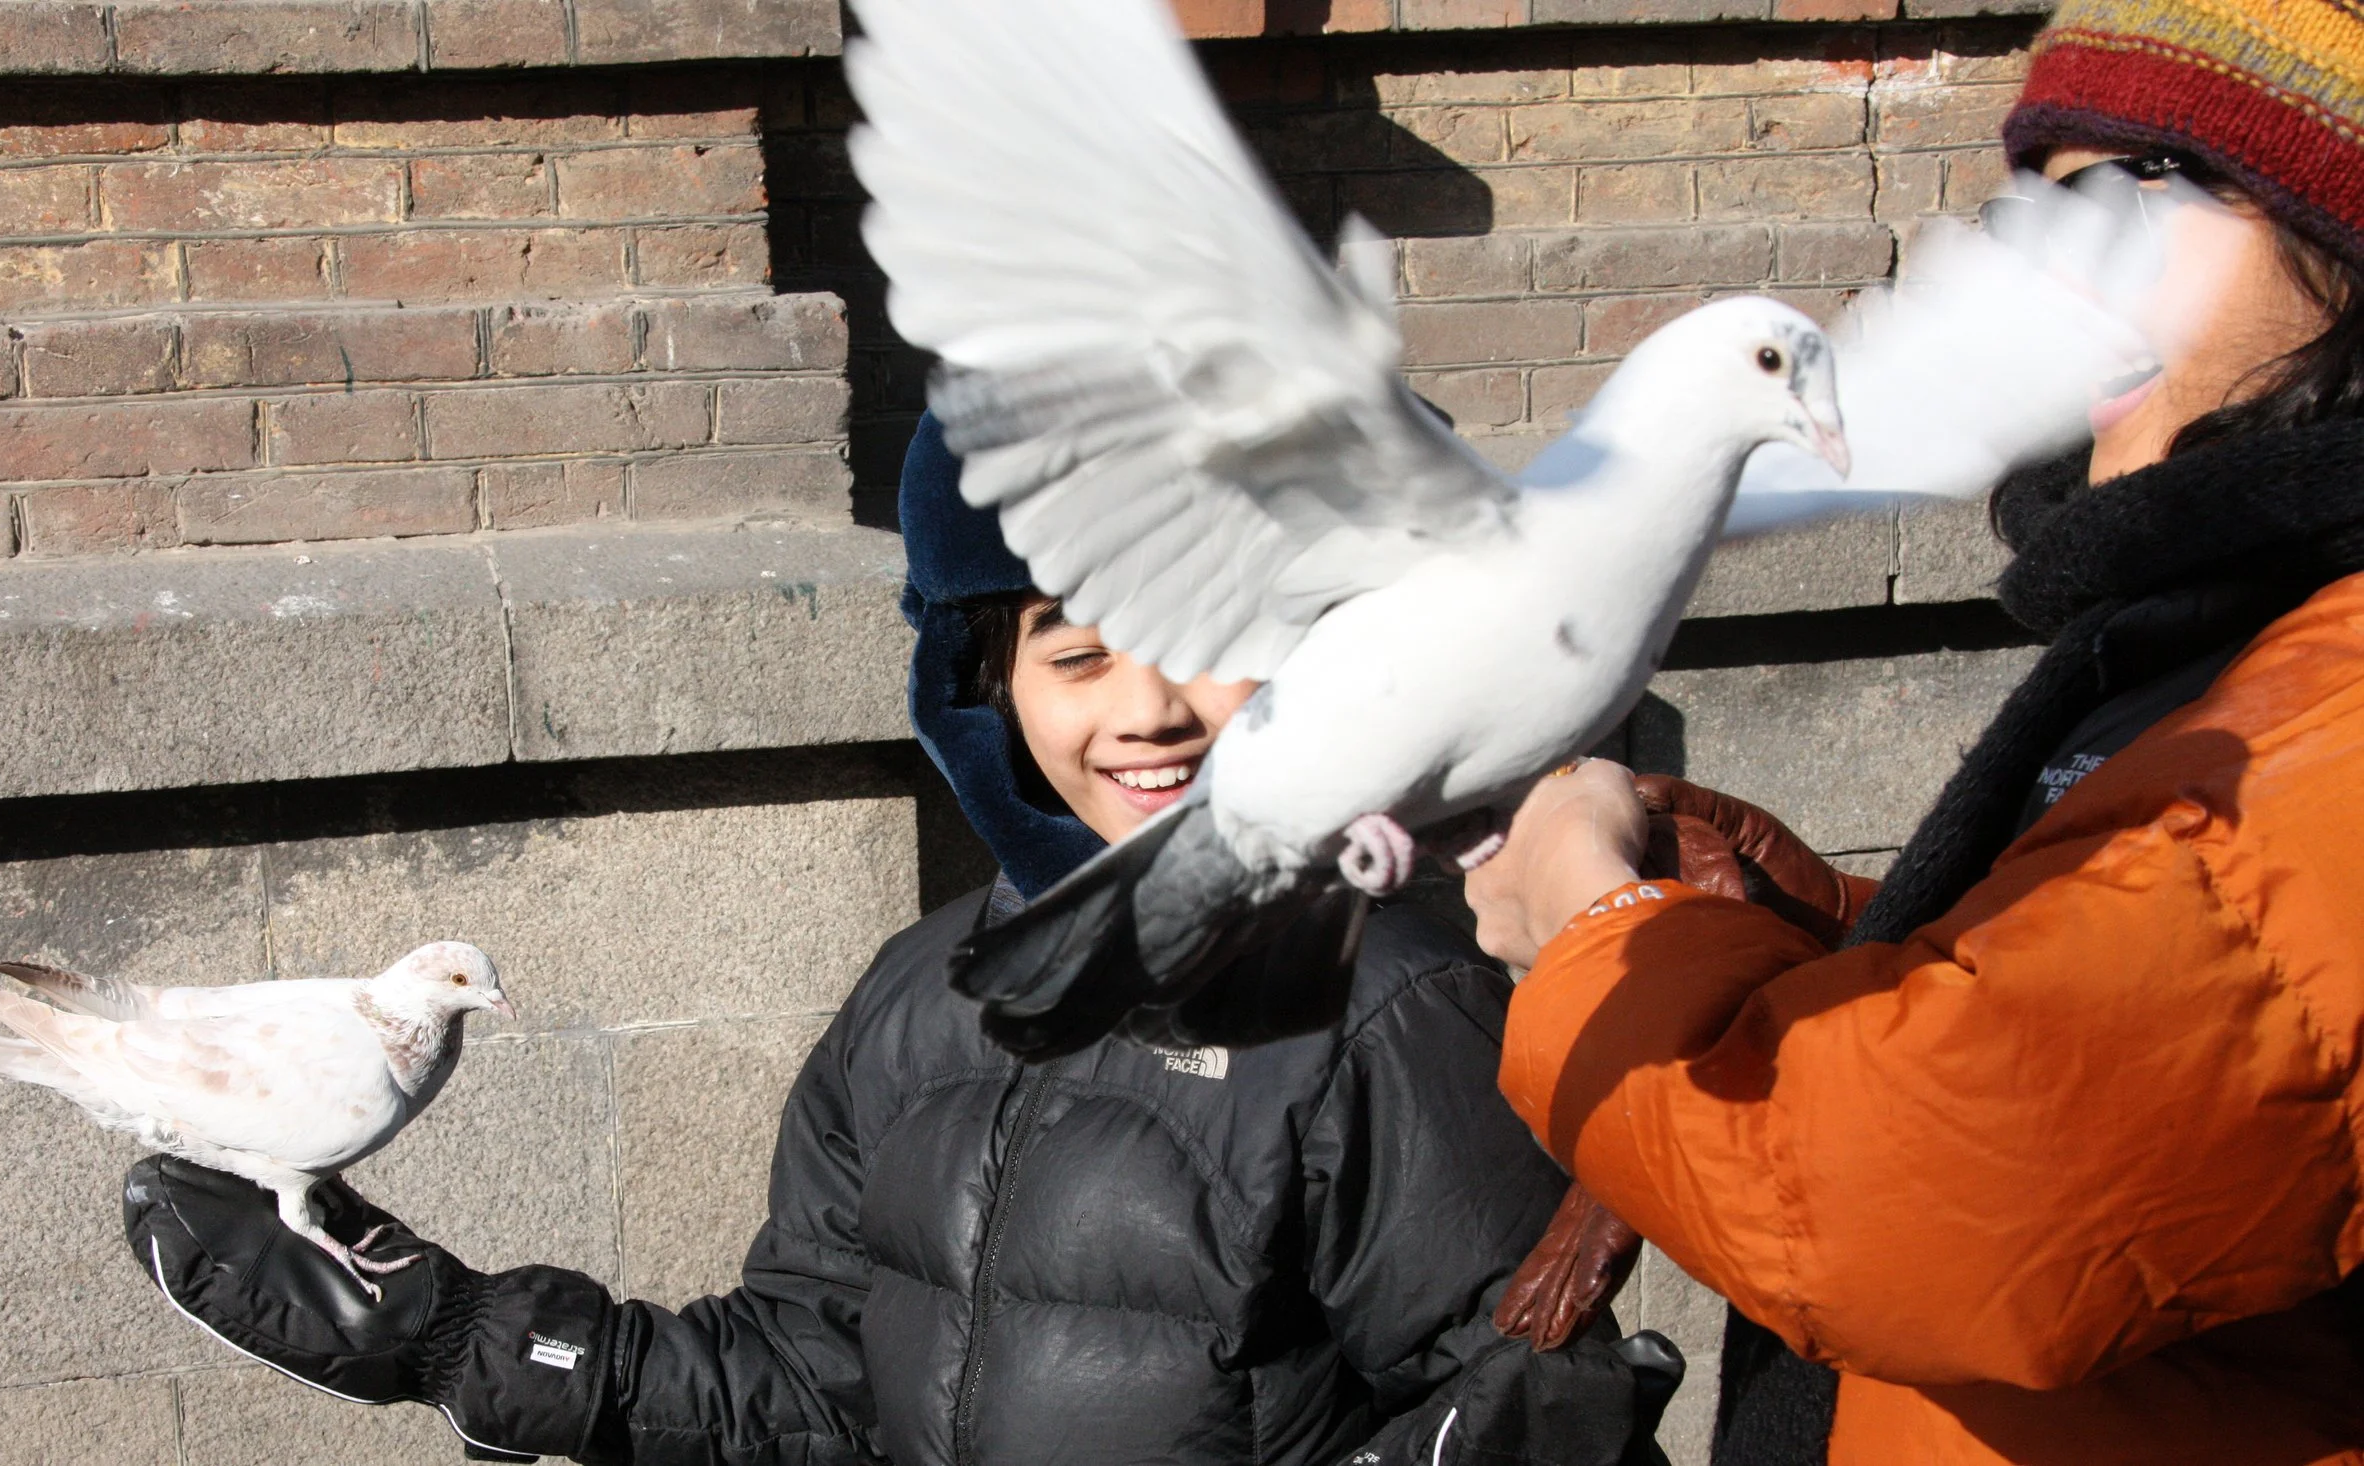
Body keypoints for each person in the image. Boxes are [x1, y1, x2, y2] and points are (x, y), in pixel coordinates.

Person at [121, 414, 1679, 1466]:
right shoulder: (923, 996)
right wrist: (466, 1339)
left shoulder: (1393, 1005)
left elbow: (1536, 1403)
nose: (1144, 708)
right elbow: (813, 1376)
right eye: (1072, 649)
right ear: (989, 684)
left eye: (1206, 645)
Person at [1460, 3, 2364, 1463]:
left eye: (2115, 201)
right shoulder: (2225, 631)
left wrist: (1601, 929)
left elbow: (1931, 1194)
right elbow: (2138, 1048)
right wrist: (1829, 938)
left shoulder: (2334, 707)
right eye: (2028, 224)